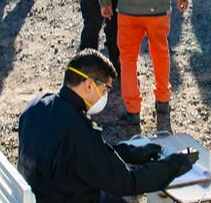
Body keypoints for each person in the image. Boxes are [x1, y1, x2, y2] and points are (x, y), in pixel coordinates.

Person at [17, 49, 197, 202]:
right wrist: (176, 163)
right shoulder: (77, 129)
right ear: (88, 85)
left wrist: (134, 153)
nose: (104, 98)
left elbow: (85, 155)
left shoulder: (38, 105)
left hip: (44, 192)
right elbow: (127, 182)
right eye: (104, 91)